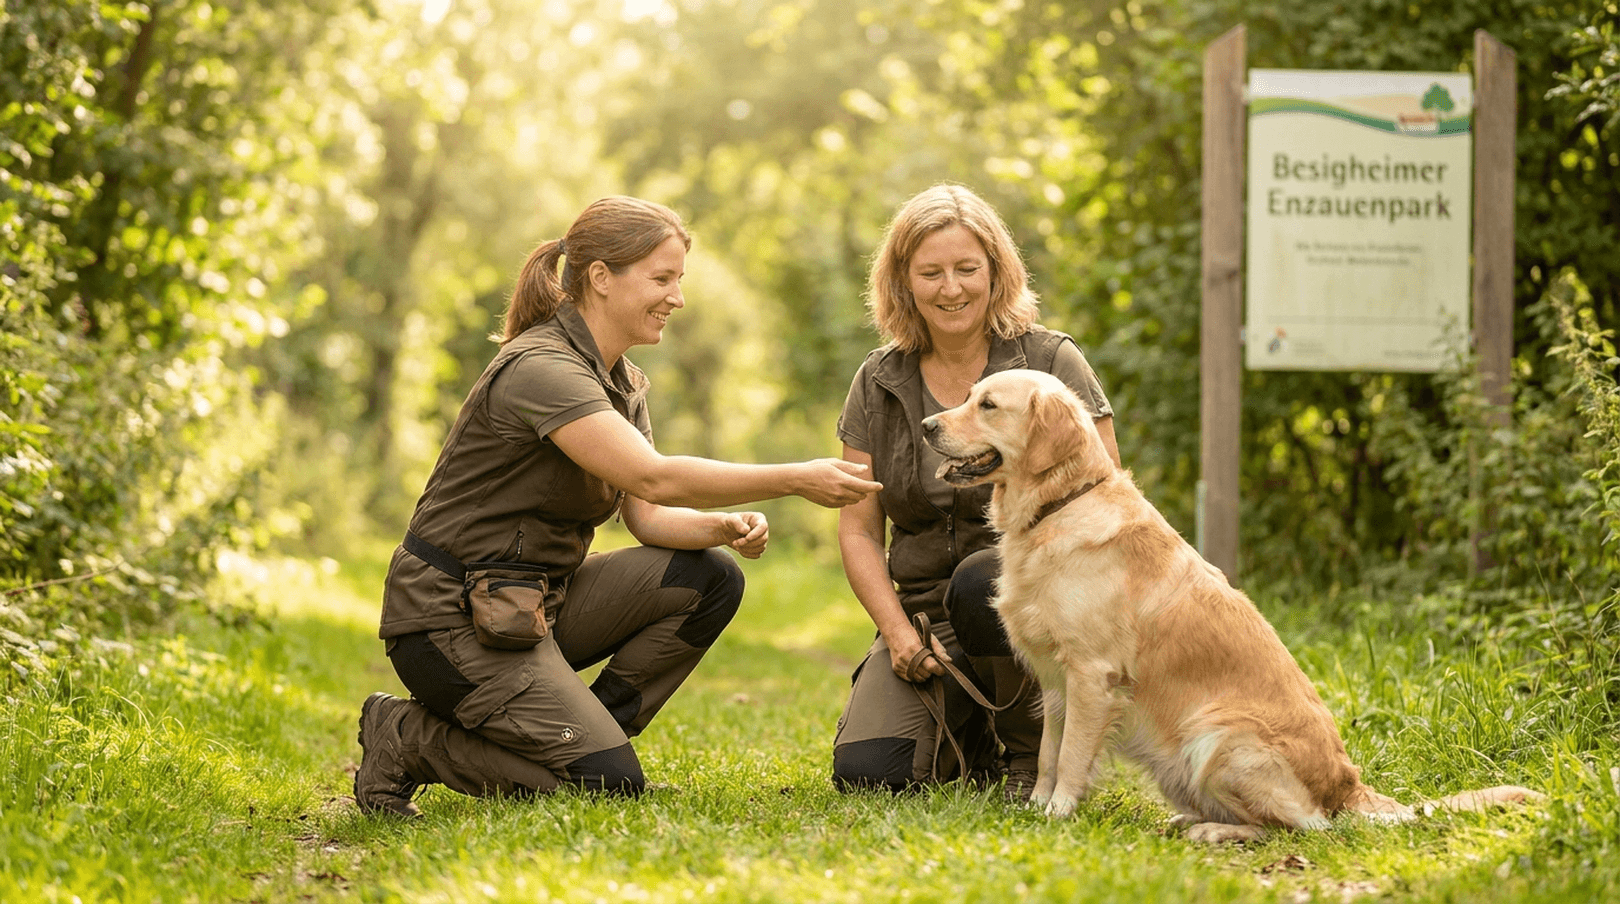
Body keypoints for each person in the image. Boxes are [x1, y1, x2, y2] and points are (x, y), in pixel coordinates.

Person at [354, 196, 881, 816]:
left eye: (678, 279)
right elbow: (653, 477)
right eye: (662, 278)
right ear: (600, 277)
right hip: (448, 621)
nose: (677, 298)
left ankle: (587, 741)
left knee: (708, 577)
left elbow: (647, 516)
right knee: (605, 788)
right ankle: (407, 738)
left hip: (530, 607)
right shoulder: (541, 368)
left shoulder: (621, 380)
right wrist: (794, 478)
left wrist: (720, 527)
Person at [830, 183, 1121, 798]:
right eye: (930, 272)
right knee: (870, 774)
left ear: (996, 272)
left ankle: (1026, 757)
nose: (951, 288)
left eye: (967, 269)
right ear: (904, 282)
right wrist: (901, 635)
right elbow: (858, 529)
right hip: (922, 618)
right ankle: (971, 733)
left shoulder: (1050, 361)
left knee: (982, 576)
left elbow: (1105, 496)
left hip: (1044, 600)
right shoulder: (879, 380)